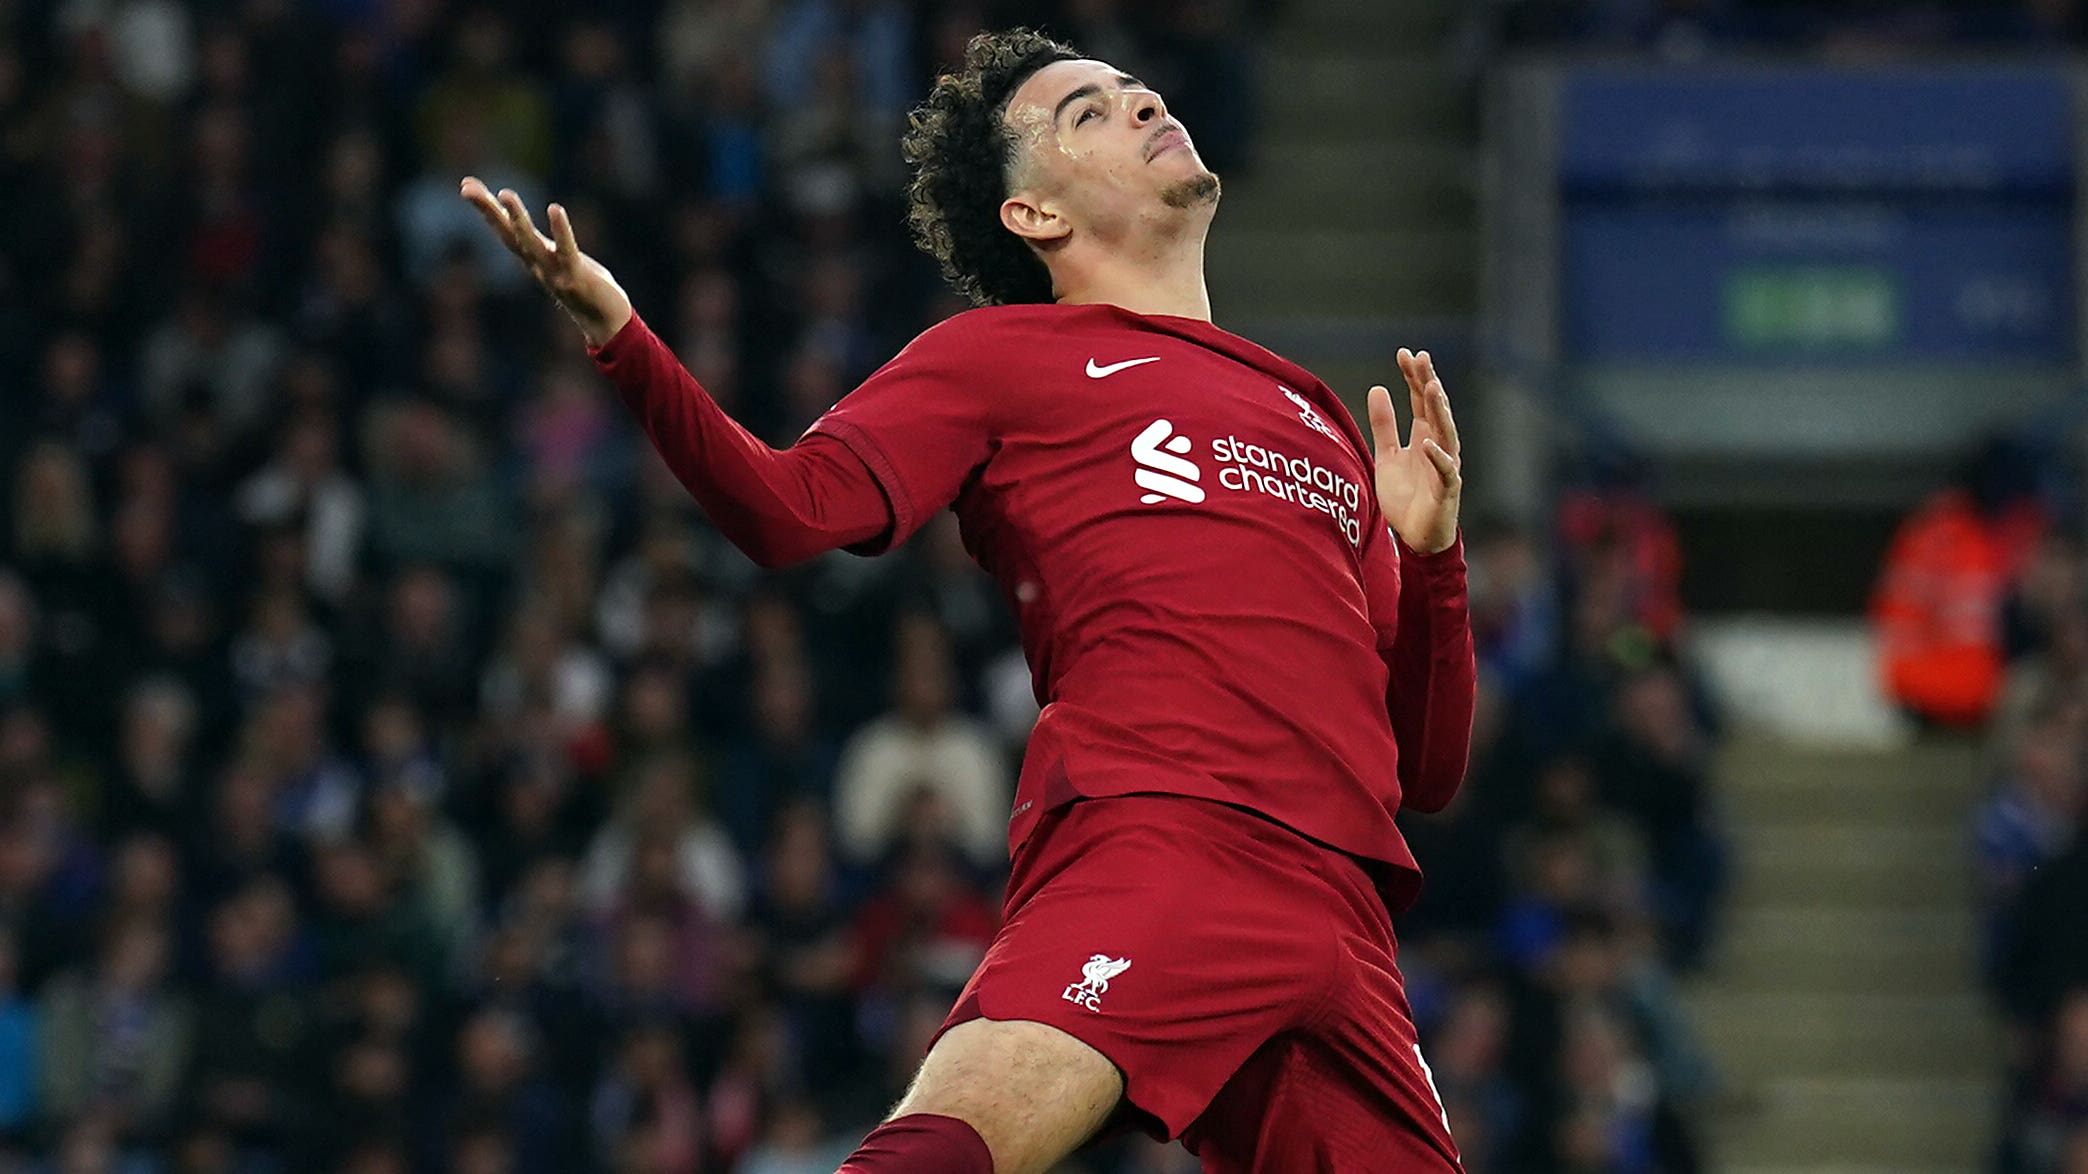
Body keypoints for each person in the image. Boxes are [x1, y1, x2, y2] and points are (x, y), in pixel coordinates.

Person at [461, 26, 1475, 1174]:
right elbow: (788, 509)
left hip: (1347, 919)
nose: (1143, 105)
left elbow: (1428, 768)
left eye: (1136, 91)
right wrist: (622, 336)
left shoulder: (1321, 417)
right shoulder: (999, 357)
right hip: (1168, 837)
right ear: (1033, 215)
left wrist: (1434, 558)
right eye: (1088, 113)